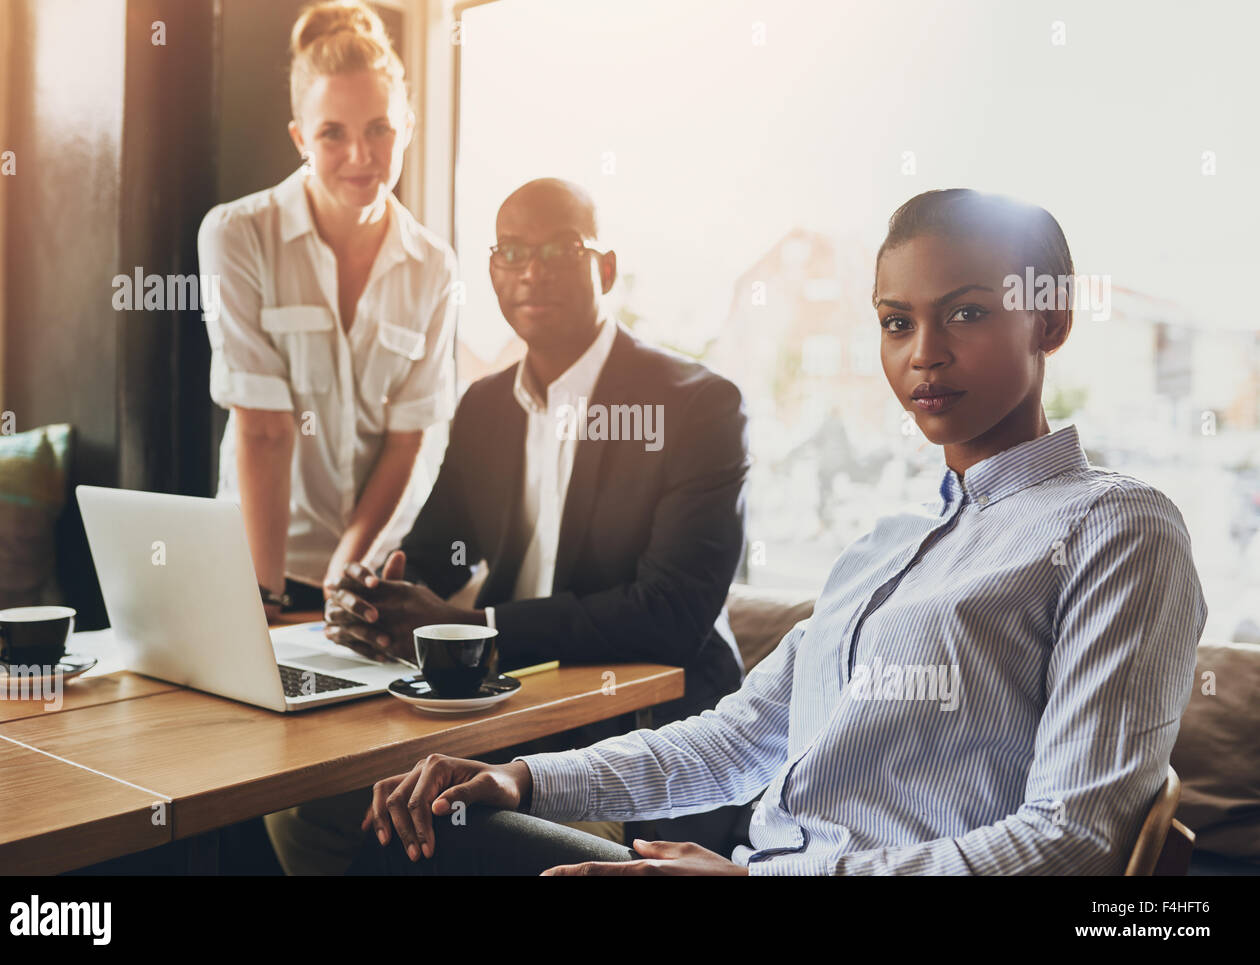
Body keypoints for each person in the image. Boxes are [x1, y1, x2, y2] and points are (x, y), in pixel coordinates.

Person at [356, 188, 1209, 875]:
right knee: (400, 819)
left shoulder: (1118, 529)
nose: (924, 354)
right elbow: (738, 739)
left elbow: (1073, 838)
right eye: (896, 321)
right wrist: (521, 778)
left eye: (967, 314)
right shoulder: (886, 545)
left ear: (1049, 321)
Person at [265, 177, 751, 874]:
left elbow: (669, 614)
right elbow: (435, 555)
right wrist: (377, 598)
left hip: (639, 733)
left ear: (605, 268)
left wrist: (481, 630)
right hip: (504, 712)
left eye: (560, 248)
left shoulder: (697, 406)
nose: (532, 269)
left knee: (420, 827)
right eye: (512, 251)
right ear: (491, 271)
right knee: (300, 802)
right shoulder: (487, 406)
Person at [197, 0, 457, 616]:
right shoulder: (237, 235)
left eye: (379, 129)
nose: (361, 157)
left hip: (373, 566)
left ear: (408, 127)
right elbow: (263, 429)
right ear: (300, 139)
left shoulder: (433, 266)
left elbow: (406, 441)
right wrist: (267, 598)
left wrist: (347, 573)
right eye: (332, 134)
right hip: (259, 560)